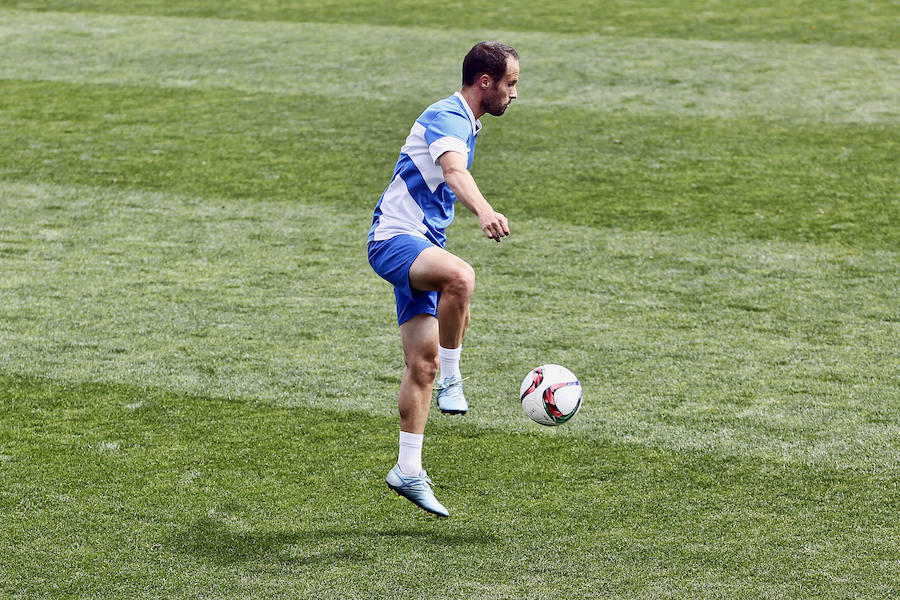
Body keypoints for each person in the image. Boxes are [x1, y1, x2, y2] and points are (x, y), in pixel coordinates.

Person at [367, 41, 519, 517]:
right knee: (460, 276)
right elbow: (453, 171)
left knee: (422, 365)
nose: (515, 94)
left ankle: (407, 470)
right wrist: (486, 210)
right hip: (394, 240)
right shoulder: (448, 116)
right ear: (485, 82)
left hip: (418, 244)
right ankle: (455, 379)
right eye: (511, 84)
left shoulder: (465, 122)